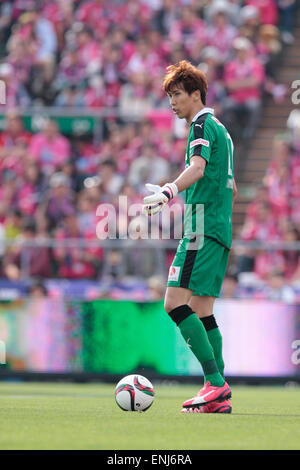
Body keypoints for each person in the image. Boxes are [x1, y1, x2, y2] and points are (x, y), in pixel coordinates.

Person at [143, 60, 237, 414]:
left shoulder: (200, 125)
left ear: (196, 95)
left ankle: (215, 383)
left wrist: (169, 192)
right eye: (170, 96)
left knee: (173, 303)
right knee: (202, 309)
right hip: (219, 228)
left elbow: (197, 168)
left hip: (201, 227)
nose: (172, 102)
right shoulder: (222, 130)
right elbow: (232, 185)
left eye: (177, 94)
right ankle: (218, 393)